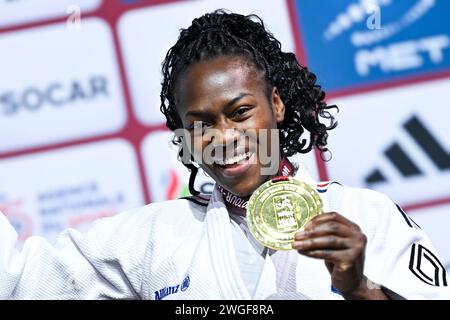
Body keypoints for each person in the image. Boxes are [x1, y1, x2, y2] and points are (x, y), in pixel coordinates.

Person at [0, 10, 448, 300]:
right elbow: (16, 280)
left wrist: (360, 288)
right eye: (201, 124)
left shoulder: (363, 215)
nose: (224, 137)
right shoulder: (152, 239)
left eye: (240, 112)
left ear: (275, 104)